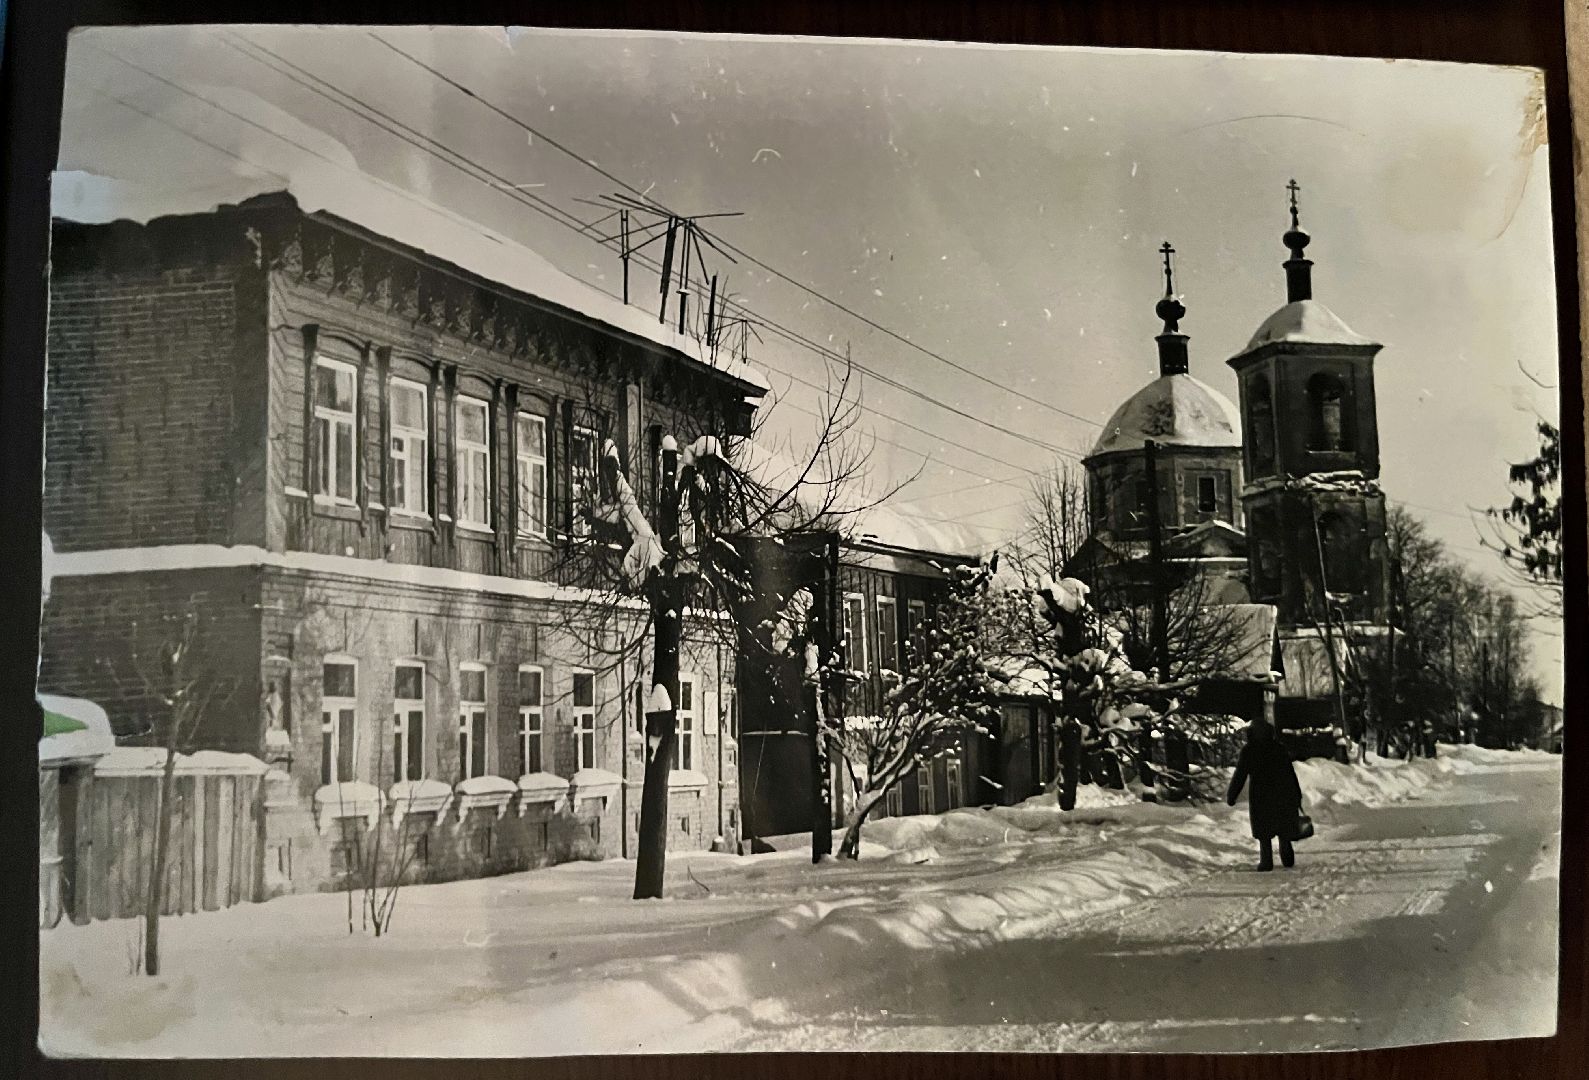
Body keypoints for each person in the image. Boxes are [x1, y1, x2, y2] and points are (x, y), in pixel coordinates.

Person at [1226, 718, 1304, 871]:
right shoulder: (1278, 748)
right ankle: (1287, 855)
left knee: (1264, 830)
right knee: (1283, 826)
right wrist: (1296, 794)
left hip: (1260, 795)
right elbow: (1289, 773)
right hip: (1281, 792)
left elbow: (1240, 774)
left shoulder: (1249, 750)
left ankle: (1266, 861)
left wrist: (1232, 795)